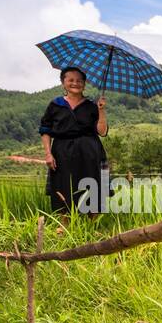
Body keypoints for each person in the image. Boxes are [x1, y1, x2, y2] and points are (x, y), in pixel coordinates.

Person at [39, 66, 108, 214]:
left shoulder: (91, 106)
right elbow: (45, 130)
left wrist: (101, 110)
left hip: (89, 151)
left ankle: (91, 227)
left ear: (84, 83)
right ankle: (64, 227)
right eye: (70, 80)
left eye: (79, 80)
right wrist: (48, 154)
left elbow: (102, 132)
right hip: (61, 151)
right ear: (63, 83)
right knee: (62, 186)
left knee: (91, 186)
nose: (75, 83)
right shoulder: (55, 105)